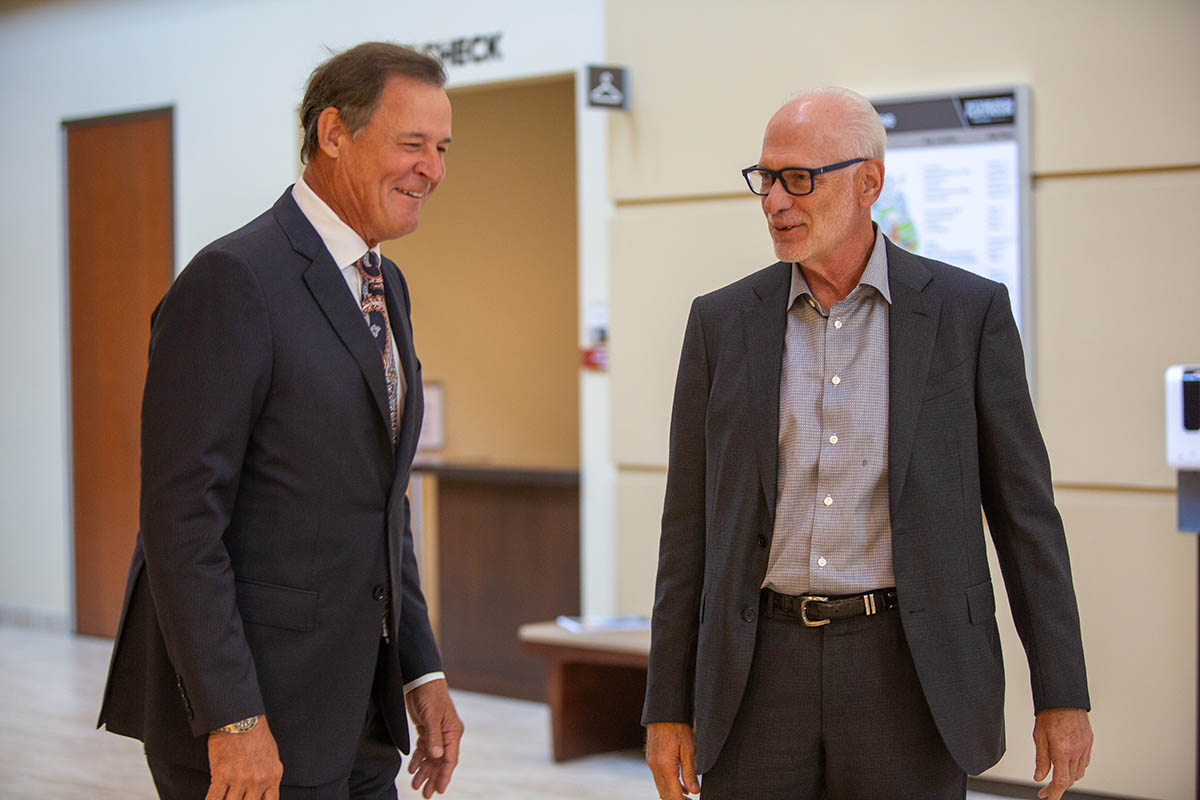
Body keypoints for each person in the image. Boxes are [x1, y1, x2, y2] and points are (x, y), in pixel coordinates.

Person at [642, 87, 1094, 800]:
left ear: (869, 182)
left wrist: (1062, 692)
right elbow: (686, 530)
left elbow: (1026, 518)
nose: (774, 202)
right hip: (757, 667)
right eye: (766, 178)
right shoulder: (721, 323)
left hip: (910, 666)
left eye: (799, 179)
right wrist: (667, 705)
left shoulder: (966, 313)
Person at [98, 42, 463, 800]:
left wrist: (420, 669)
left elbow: (378, 502)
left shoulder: (385, 283)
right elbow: (179, 520)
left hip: (356, 708)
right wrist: (232, 718)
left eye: (441, 148)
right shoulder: (232, 280)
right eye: (411, 144)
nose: (432, 168)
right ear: (334, 133)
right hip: (252, 715)